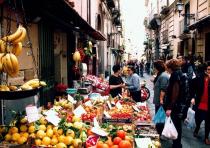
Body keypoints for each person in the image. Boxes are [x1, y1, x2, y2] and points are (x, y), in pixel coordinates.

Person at [165, 59, 184, 148]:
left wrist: (170, 107)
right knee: (178, 125)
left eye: (167, 68)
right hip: (179, 104)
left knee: (176, 125)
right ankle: (177, 144)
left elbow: (175, 93)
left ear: (170, 68)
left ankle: (177, 145)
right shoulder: (180, 73)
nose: (167, 70)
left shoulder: (175, 75)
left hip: (175, 106)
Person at [191, 62, 210, 145]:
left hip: (208, 104)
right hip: (200, 102)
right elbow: (192, 86)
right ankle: (197, 127)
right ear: (205, 69)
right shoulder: (199, 77)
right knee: (198, 118)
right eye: (209, 69)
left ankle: (206, 137)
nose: (209, 71)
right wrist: (192, 97)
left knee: (208, 121)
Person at [153, 60, 169, 135]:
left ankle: (160, 132)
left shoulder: (163, 76)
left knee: (160, 117)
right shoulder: (160, 74)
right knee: (158, 116)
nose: (154, 69)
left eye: (154, 67)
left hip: (160, 101)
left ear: (157, 67)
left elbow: (163, 89)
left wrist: (161, 99)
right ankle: (158, 130)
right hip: (158, 100)